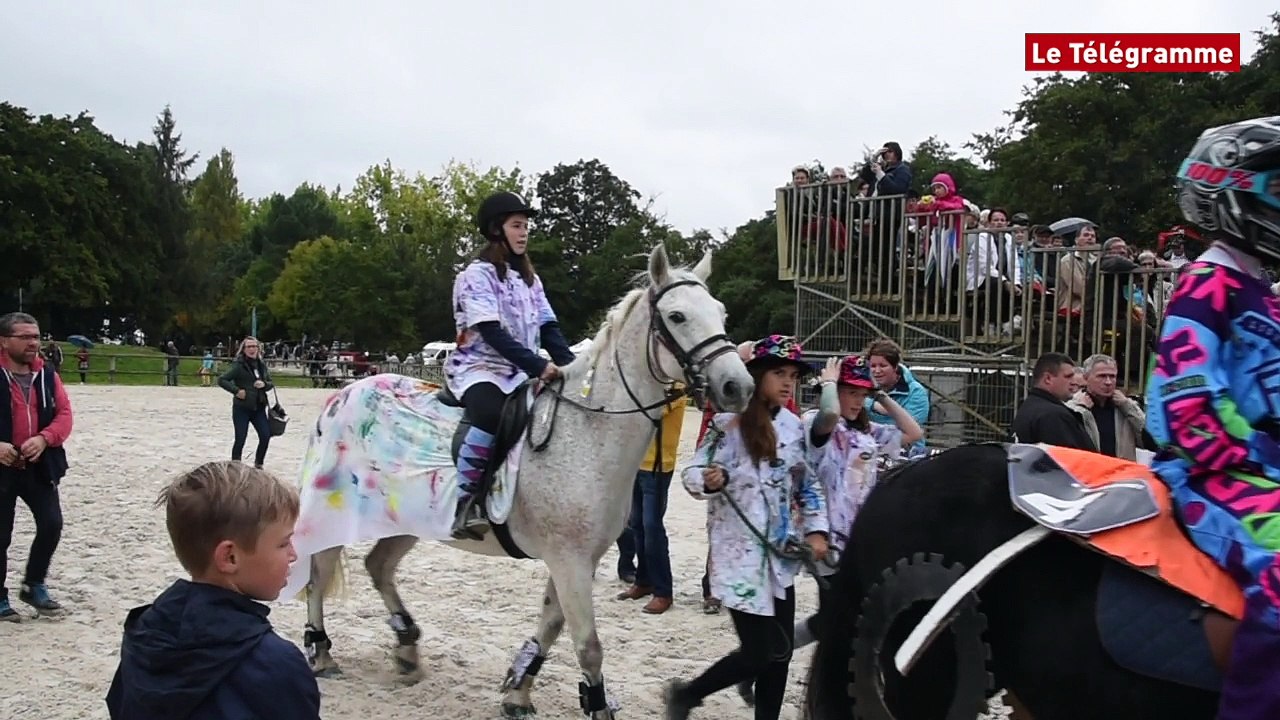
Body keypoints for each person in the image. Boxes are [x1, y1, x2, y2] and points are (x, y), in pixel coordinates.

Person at [1145, 116, 1280, 720]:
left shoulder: (1264, 291)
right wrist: (1261, 454)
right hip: (1212, 475)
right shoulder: (1206, 283)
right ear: (1231, 193)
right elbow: (1186, 408)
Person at [663, 334, 829, 720]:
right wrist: (710, 479)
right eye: (779, 373)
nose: (788, 382)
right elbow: (691, 472)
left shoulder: (793, 427)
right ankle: (688, 694)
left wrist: (816, 530)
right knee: (759, 652)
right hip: (739, 559)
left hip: (780, 558)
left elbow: (807, 485)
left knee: (780, 654)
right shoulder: (726, 426)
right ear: (757, 375)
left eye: (793, 376)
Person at [105, 461, 321, 720]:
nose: (293, 555)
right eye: (283, 543)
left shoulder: (143, 634)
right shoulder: (275, 664)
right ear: (230, 557)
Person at [445, 191, 575, 539]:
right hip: (480, 368)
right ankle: (467, 502)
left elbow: (549, 328)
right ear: (496, 229)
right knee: (490, 413)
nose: (524, 232)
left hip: (519, 371)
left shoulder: (530, 279)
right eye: (517, 225)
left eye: (526, 226)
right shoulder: (476, 276)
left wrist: (573, 367)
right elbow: (490, 331)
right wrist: (537, 365)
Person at [795, 354, 922, 648]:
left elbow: (913, 432)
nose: (857, 401)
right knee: (839, 615)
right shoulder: (816, 423)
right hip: (826, 532)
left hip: (858, 534)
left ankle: (771, 653)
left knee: (841, 614)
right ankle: (770, 655)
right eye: (851, 392)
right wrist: (828, 384)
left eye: (862, 394)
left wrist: (880, 395)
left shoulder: (866, 431)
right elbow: (829, 415)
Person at [0, 312, 73, 619]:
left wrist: (44, 439)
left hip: (38, 465)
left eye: (36, 336)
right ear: (4, 341)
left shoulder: (47, 375)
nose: (33, 343)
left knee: (51, 524)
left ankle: (33, 584)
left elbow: (64, 414)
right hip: (2, 467)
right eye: (25, 337)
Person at [616, 392, 686, 614]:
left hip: (658, 466)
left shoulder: (675, 385)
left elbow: (649, 410)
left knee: (652, 528)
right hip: (637, 461)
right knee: (637, 524)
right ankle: (644, 580)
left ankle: (663, 591)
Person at [1009, 352, 1095, 450]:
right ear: (1048, 379)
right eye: (1068, 376)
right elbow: (1067, 456)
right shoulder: (1053, 415)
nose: (1073, 382)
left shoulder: (1029, 407)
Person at [217, 336, 274, 469]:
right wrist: (236, 391)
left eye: (254, 346)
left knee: (265, 436)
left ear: (258, 348)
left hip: (259, 407)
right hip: (242, 408)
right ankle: (235, 466)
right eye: (249, 347)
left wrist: (264, 384)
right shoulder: (239, 365)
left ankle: (259, 464)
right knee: (240, 438)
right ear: (244, 349)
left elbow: (270, 383)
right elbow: (222, 380)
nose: (252, 349)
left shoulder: (261, 365)